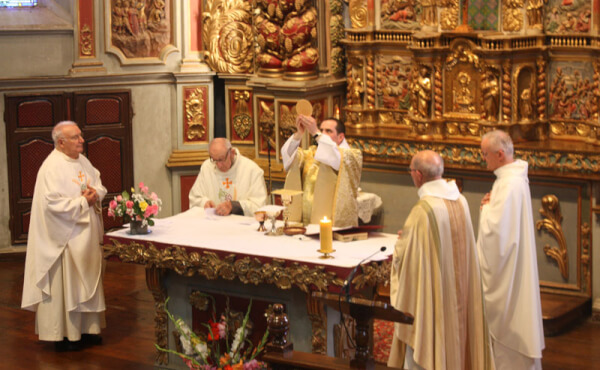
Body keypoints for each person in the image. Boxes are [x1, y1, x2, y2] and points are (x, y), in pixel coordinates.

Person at [388, 150, 494, 370]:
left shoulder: (423, 210)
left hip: (435, 294)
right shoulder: (461, 200)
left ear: (417, 175)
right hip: (459, 292)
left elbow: (406, 257)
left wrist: (405, 240)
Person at [21, 121, 107, 352]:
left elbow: (99, 184)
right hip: (64, 240)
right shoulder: (50, 167)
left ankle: (89, 330)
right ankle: (65, 335)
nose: (82, 140)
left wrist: (95, 193)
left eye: (80, 136)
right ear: (61, 142)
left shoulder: (83, 161)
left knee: (86, 283)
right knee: (67, 285)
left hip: (85, 237)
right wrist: (82, 202)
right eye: (76, 137)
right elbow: (50, 204)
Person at [478, 130, 545, 369]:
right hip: (515, 264)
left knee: (509, 324)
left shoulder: (508, 184)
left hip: (508, 271)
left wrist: (485, 210)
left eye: (485, 154)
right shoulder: (513, 179)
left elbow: (497, 235)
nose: (483, 158)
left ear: (500, 154)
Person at [281, 115, 362, 227]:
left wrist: (315, 132)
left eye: (328, 131)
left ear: (341, 137)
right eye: (321, 130)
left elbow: (334, 157)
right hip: (305, 222)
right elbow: (289, 158)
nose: (323, 134)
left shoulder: (350, 156)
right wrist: (298, 134)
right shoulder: (310, 153)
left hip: (332, 223)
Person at [189, 137, 267, 216]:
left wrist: (233, 206)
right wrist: (205, 203)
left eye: (221, 159)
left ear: (232, 153)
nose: (219, 165)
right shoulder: (207, 167)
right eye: (214, 160)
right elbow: (194, 198)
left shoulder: (252, 170)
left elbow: (260, 207)